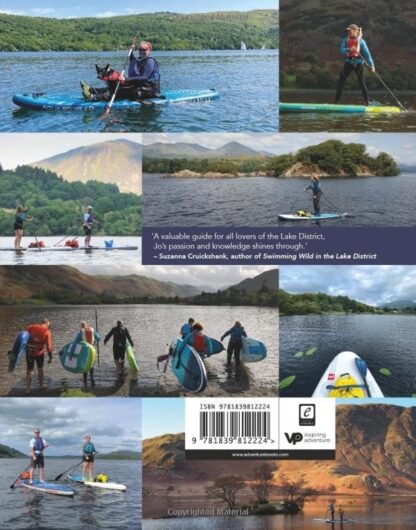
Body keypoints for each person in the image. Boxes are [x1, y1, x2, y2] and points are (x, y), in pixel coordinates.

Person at [80, 41, 160, 102]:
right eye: (140, 49)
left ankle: (93, 97)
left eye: (144, 49)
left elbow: (145, 77)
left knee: (120, 91)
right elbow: (133, 61)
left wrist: (126, 79)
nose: (142, 51)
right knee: (116, 86)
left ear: (150, 50)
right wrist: (131, 51)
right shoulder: (139, 60)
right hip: (139, 86)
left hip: (149, 90)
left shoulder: (150, 61)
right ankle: (91, 90)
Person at [335, 24, 375, 106]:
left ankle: (367, 103)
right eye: (347, 31)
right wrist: (349, 49)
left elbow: (367, 55)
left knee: (361, 82)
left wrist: (372, 66)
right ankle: (336, 103)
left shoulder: (361, 41)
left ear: (355, 31)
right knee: (341, 82)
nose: (348, 32)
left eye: (350, 31)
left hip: (359, 63)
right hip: (348, 63)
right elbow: (342, 51)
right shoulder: (345, 40)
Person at [26, 318, 52, 395]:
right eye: (48, 325)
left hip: (29, 352)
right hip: (39, 353)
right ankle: (41, 385)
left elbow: (23, 338)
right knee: (40, 368)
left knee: (29, 370)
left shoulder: (30, 327)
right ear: (47, 323)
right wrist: (50, 357)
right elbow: (49, 347)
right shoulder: (47, 331)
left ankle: (28, 389)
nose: (48, 326)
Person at [73, 321, 100, 388]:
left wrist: (71, 353)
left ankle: (85, 382)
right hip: (92, 351)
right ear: (87, 325)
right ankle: (92, 379)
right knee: (91, 365)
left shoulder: (81, 332)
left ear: (81, 326)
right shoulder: (92, 330)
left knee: (84, 365)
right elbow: (99, 338)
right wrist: (95, 341)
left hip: (84, 352)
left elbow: (75, 343)